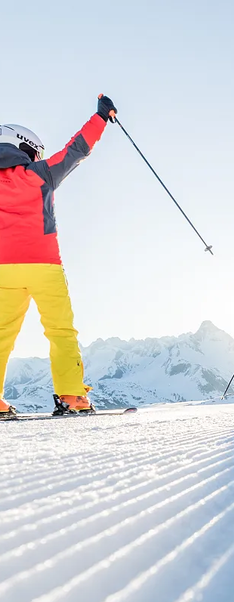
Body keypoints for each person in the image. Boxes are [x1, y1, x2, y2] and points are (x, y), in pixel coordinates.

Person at [0, 95, 118, 417]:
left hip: (3, 270)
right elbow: (76, 150)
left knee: (1, 335)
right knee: (60, 331)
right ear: (24, 148)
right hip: (44, 266)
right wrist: (101, 117)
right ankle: (72, 397)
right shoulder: (41, 174)